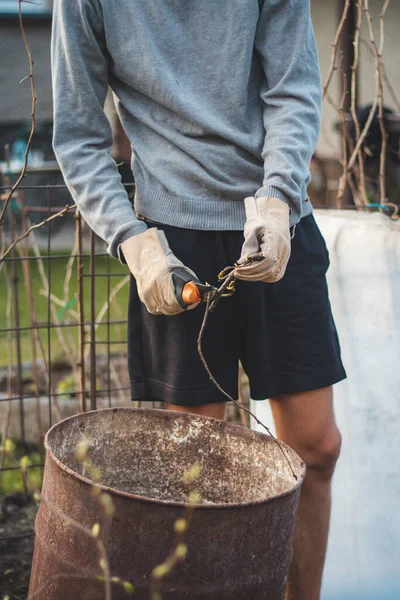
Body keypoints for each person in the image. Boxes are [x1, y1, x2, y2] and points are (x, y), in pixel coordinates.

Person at [51, 1, 346, 598]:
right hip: (173, 240)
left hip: (275, 218)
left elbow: (292, 89)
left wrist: (281, 198)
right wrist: (133, 243)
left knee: (316, 447)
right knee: (199, 470)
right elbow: (78, 138)